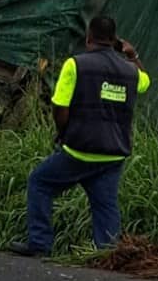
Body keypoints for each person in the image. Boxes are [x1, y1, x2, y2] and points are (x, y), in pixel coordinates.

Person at [9, 16, 150, 257]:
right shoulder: (130, 72)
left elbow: (60, 106)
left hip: (79, 149)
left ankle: (40, 243)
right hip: (113, 154)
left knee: (39, 182)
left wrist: (63, 133)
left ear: (88, 38)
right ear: (115, 40)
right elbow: (145, 83)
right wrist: (132, 55)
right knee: (105, 205)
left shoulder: (76, 65)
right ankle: (107, 255)